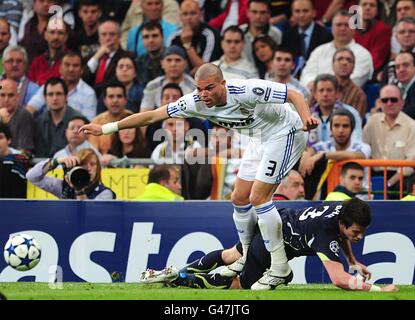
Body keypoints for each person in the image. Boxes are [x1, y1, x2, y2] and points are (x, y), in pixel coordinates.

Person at [79, 63, 319, 290]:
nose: (203, 94)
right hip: (258, 137)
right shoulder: (193, 102)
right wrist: (107, 128)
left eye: (209, 88)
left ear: (223, 83)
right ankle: (246, 254)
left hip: (285, 132)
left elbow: (293, 95)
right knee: (239, 197)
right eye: (199, 88)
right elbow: (153, 116)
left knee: (259, 197)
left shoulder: (246, 89)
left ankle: (280, 267)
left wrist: (306, 117)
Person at [139, 198, 399, 292]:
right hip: (274, 242)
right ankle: (177, 278)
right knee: (239, 283)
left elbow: (344, 237)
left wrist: (353, 261)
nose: (359, 237)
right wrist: (376, 289)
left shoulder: (344, 208)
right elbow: (339, 280)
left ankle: (175, 271)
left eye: (362, 233)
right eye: (356, 232)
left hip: (275, 221)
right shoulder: (326, 233)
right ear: (343, 224)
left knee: (231, 255)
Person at [26, 148, 115, 200]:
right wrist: (55, 161)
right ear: (76, 166)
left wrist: (78, 190)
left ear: (98, 168)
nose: (88, 168)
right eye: (84, 164)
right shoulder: (64, 187)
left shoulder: (105, 193)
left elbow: (88, 215)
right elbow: (31, 177)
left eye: (92, 164)